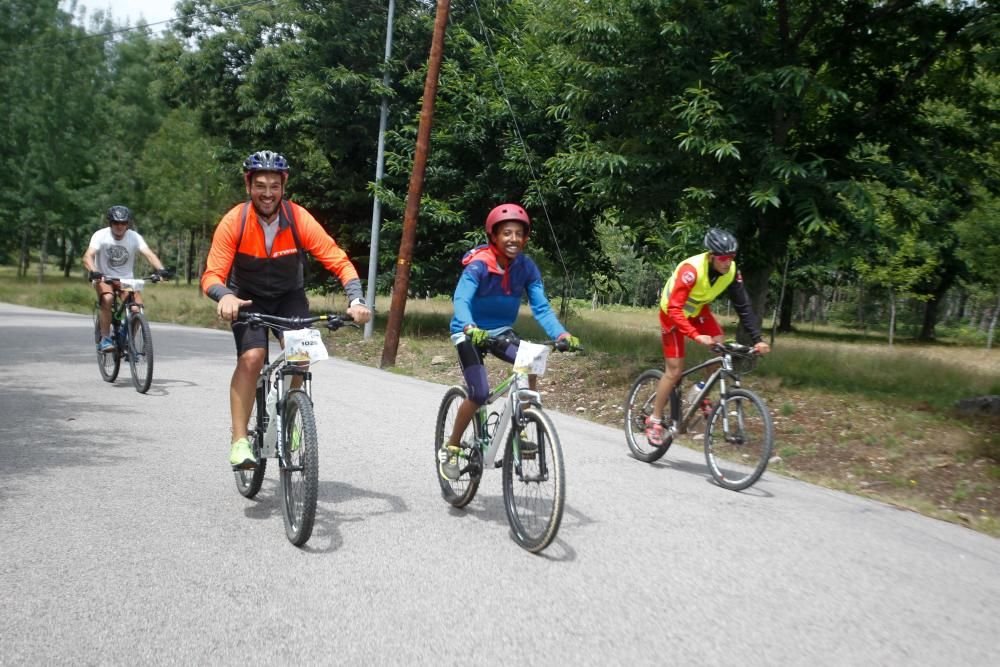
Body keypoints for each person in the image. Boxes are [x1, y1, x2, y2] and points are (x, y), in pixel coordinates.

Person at [201, 150, 372, 469]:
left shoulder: (298, 218)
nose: (267, 193)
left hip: (288, 295)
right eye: (260, 185)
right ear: (248, 184)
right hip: (246, 298)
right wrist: (224, 296)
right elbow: (212, 274)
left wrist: (356, 300)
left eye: (274, 186)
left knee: (301, 352)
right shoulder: (234, 221)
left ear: (284, 185)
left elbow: (337, 259)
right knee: (252, 359)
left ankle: (290, 415)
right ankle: (239, 440)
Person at [438, 203, 580, 481]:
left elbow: (541, 307)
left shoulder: (526, 267)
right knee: (479, 393)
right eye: (506, 233)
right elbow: (461, 299)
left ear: (524, 238)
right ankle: (452, 446)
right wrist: (469, 326)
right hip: (468, 331)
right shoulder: (479, 264)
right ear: (494, 236)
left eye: (518, 233)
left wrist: (561, 334)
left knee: (533, 358)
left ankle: (522, 424)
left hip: (501, 330)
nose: (513, 239)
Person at [644, 227, 770, 445]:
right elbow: (675, 309)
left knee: (721, 345)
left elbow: (744, 307)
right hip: (672, 315)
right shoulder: (691, 270)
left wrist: (757, 338)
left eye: (731, 258)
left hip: (697, 311)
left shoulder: (730, 272)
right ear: (711, 257)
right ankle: (654, 419)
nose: (727, 262)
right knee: (674, 371)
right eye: (723, 258)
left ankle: (700, 390)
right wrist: (695, 336)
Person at [83, 205, 169, 353]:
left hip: (126, 280)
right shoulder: (100, 235)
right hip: (104, 277)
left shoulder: (134, 237)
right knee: (108, 299)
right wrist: (94, 271)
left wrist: (161, 270)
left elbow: (148, 254)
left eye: (123, 223)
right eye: (116, 223)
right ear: (110, 223)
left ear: (127, 224)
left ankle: (128, 340)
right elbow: (87, 256)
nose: (119, 226)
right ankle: (105, 338)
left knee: (137, 309)